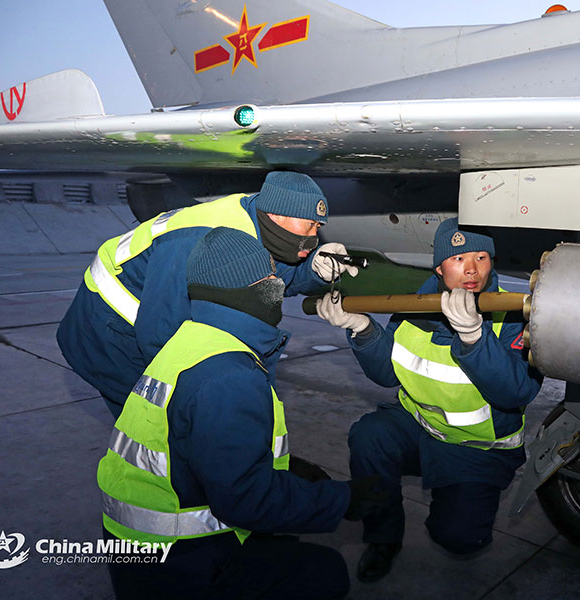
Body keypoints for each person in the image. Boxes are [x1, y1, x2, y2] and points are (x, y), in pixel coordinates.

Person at [97, 227, 383, 599]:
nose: (278, 286)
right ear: (241, 288)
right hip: (178, 565)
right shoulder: (229, 376)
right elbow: (245, 500)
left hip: (138, 548)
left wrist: (289, 470)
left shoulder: (192, 340)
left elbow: (195, 443)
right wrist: (343, 499)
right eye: (269, 276)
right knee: (324, 571)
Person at [315, 217, 543, 582]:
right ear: (439, 268)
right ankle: (383, 538)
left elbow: (517, 392)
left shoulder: (514, 314)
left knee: (459, 537)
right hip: (421, 428)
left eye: (481, 257)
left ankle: (455, 503)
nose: (472, 269)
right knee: (370, 435)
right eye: (458, 259)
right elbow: (388, 374)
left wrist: (474, 337)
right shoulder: (414, 306)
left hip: (477, 449)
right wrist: (363, 328)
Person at [57, 171, 358, 417]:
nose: (314, 236)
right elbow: (160, 331)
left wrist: (314, 270)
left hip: (146, 315)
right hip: (108, 328)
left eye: (318, 227)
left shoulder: (257, 220)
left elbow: (274, 280)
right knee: (156, 421)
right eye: (310, 225)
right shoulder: (197, 240)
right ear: (278, 215)